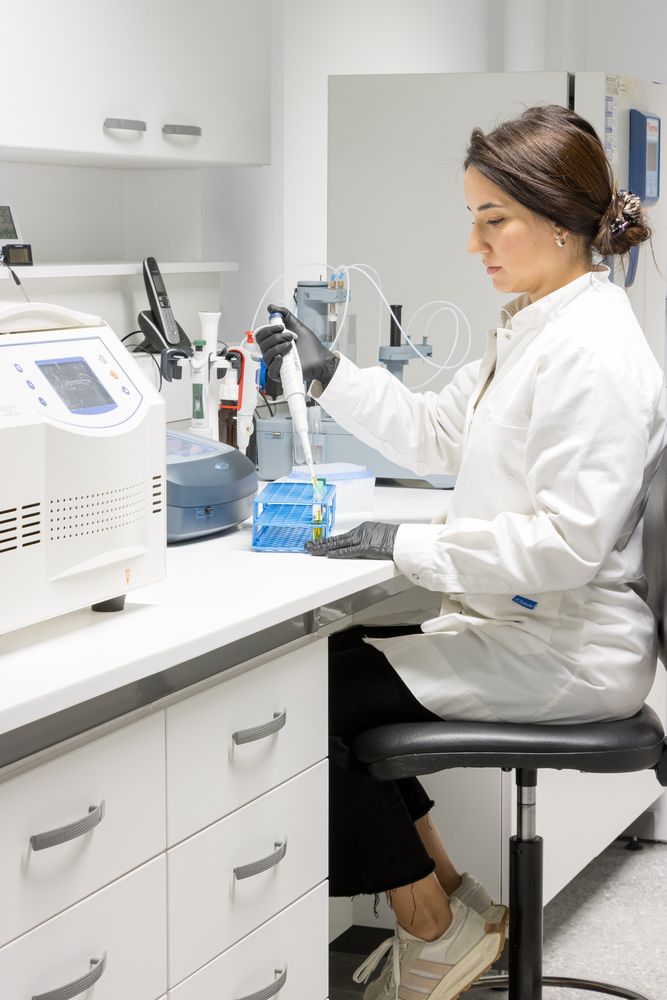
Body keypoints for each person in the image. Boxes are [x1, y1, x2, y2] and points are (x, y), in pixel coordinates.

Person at [255, 105, 666, 1000]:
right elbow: (442, 434)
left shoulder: (591, 353)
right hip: (530, 627)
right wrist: (331, 375)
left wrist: (401, 544)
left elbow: (562, 546)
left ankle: (430, 927)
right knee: (328, 667)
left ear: (560, 219)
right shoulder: (537, 323)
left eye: (494, 219)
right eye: (470, 218)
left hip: (567, 646)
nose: (473, 243)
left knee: (303, 695)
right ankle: (448, 899)